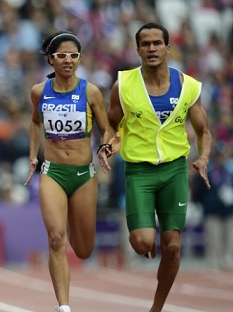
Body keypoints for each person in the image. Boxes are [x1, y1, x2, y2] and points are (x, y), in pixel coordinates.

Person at [107, 22, 212, 312]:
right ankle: (146, 238)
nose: (151, 48)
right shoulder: (123, 84)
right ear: (138, 49)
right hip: (139, 171)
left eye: (157, 43)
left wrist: (203, 158)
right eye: (145, 44)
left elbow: (204, 131)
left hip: (175, 170)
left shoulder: (189, 86)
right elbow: (110, 125)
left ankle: (156, 308)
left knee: (173, 247)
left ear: (168, 47)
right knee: (142, 242)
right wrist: (108, 144)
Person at [24, 31, 114, 312]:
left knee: (84, 249)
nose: (68, 60)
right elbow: (36, 122)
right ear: (51, 59)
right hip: (53, 172)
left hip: (84, 175)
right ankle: (63, 306)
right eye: (61, 55)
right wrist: (32, 155)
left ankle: (77, 233)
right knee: (55, 238)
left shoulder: (91, 92)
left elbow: (107, 129)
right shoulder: (39, 91)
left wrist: (106, 147)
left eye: (73, 55)